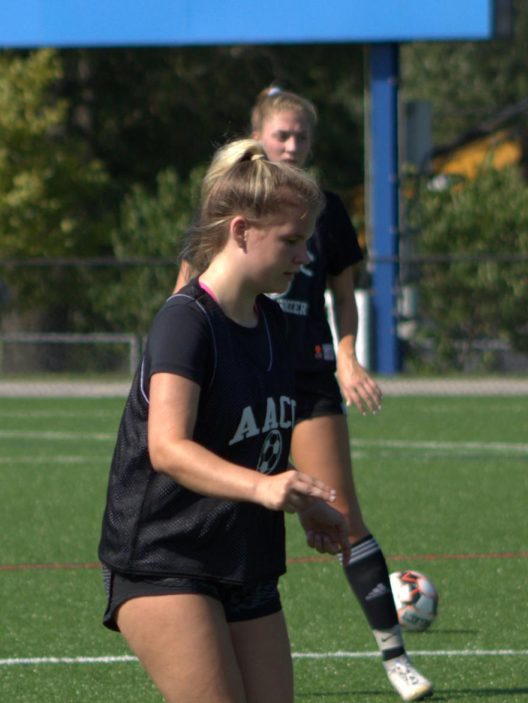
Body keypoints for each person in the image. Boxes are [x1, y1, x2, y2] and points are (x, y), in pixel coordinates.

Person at [175, 87, 432, 701]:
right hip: (241, 374)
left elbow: (343, 297)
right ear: (258, 136)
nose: (292, 146)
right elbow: (185, 293)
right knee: (224, 505)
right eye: (281, 135)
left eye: (301, 138)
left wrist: (346, 358)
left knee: (340, 511)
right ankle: (199, 622)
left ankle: (395, 657)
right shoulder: (225, 213)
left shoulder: (328, 211)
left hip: (306, 375)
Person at [98, 139, 350, 702]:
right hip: (166, 562)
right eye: (291, 240)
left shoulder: (274, 324)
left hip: (246, 561)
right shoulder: (186, 322)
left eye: (306, 241)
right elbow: (168, 448)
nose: (304, 257)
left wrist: (303, 501)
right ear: (240, 231)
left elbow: (250, 442)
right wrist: (264, 487)